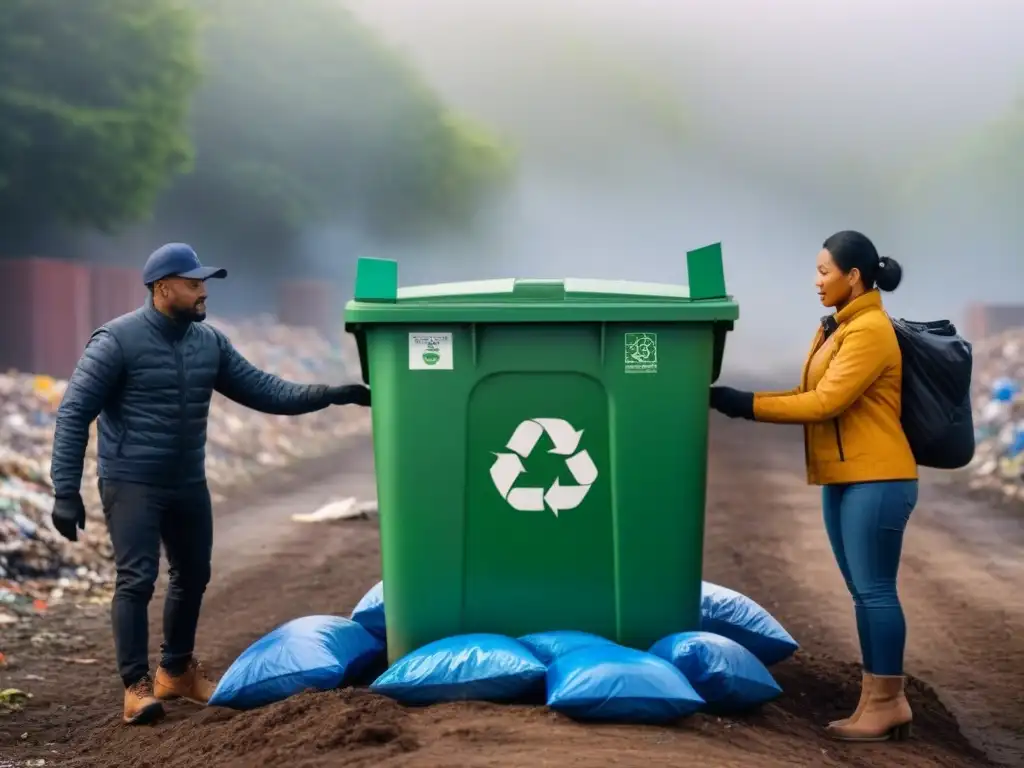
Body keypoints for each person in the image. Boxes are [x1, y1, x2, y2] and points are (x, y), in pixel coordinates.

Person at [49, 243, 372, 725]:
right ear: (162, 288)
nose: (204, 293)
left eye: (205, 284)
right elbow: (75, 412)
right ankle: (136, 687)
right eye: (194, 284)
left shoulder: (209, 343)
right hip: (132, 480)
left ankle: (175, 671)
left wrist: (328, 395)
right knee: (136, 579)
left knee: (194, 574)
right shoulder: (116, 341)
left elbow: (265, 390)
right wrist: (65, 490)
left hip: (186, 480)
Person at [709, 230, 917, 743]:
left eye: (825, 272)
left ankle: (887, 702)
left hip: (878, 476)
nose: (816, 281)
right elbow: (807, 392)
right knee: (862, 592)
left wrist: (744, 404)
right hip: (846, 477)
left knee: (875, 592)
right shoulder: (835, 327)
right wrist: (739, 398)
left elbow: (825, 403)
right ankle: (877, 701)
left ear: (854, 276)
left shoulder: (869, 330)